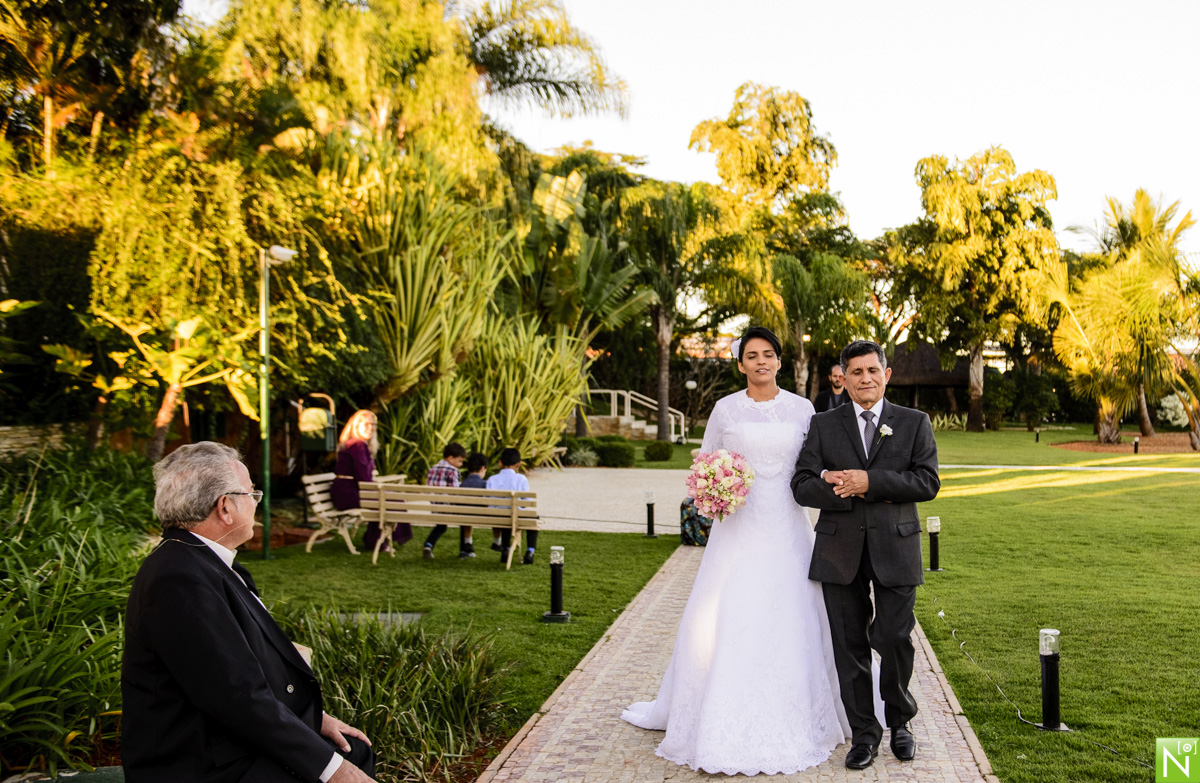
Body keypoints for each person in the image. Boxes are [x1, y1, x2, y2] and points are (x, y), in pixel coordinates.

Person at [621, 326, 859, 775]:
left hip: (788, 525)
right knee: (729, 612)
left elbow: (815, 462)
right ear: (741, 362)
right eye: (752, 355)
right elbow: (706, 463)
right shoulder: (724, 409)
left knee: (796, 612)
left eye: (768, 354)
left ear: (779, 361)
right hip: (740, 528)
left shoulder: (802, 408)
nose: (761, 362)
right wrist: (716, 490)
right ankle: (713, 715)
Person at [122, 442, 376, 783]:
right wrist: (335, 772)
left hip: (221, 743)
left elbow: (245, 669)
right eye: (251, 493)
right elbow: (236, 697)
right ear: (225, 507)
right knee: (348, 762)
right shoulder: (178, 577)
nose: (257, 502)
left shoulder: (203, 561)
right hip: (197, 765)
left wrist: (316, 719)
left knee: (353, 749)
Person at [791, 340, 940, 770]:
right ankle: (864, 734)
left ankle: (900, 722)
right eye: (855, 372)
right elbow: (801, 483)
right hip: (840, 549)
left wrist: (869, 482)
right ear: (843, 377)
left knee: (893, 637)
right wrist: (840, 487)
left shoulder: (914, 422)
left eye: (872, 370)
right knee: (848, 645)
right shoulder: (823, 424)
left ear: (886, 374)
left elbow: (927, 482)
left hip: (897, 547)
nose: (865, 379)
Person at [331, 410, 411, 553]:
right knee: (390, 499)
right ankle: (375, 541)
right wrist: (379, 490)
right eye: (366, 424)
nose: (371, 428)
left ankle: (374, 540)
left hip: (348, 490)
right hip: (348, 493)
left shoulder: (357, 444)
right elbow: (364, 478)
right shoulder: (358, 445)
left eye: (373, 425)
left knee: (391, 497)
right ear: (356, 426)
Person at [422, 443, 475, 559]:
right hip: (448, 506)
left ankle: (428, 545)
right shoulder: (452, 470)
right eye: (460, 461)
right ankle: (464, 551)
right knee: (464, 520)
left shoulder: (433, 468)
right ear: (450, 458)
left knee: (441, 526)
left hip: (435, 506)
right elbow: (455, 492)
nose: (461, 465)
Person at [487, 448, 538, 565]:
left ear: (500, 463)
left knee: (505, 515)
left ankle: (506, 548)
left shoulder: (492, 479)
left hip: (497, 517)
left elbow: (489, 502)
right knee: (533, 518)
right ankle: (530, 550)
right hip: (515, 516)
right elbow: (526, 503)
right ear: (518, 464)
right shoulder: (521, 479)